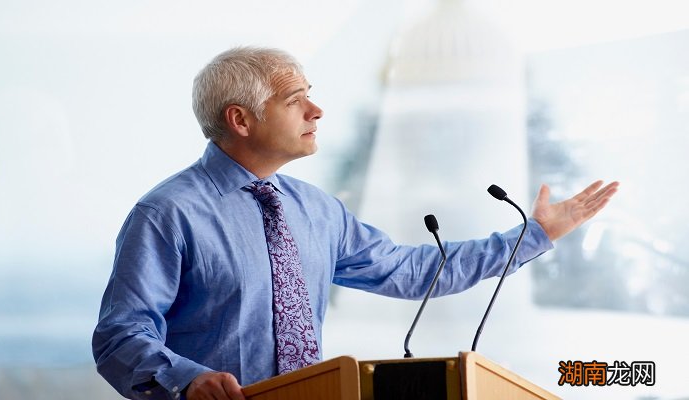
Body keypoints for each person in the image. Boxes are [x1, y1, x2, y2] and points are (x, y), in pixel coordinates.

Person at [92, 46, 619, 400]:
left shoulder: (317, 210)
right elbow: (120, 337)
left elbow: (418, 272)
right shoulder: (167, 214)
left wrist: (536, 234)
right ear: (240, 119)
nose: (316, 111)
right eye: (296, 100)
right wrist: (189, 381)